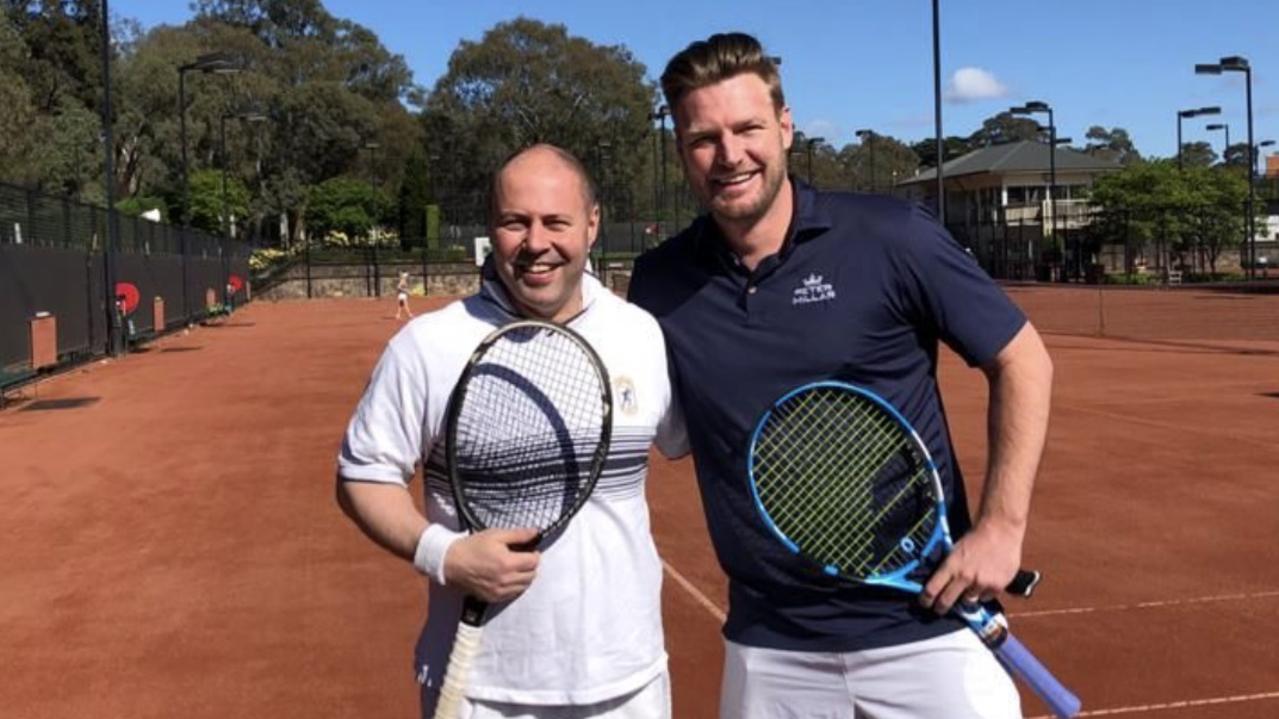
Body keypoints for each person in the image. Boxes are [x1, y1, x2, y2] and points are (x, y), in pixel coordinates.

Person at [628, 33, 1055, 719]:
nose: (729, 154)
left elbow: (1022, 358)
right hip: (769, 646)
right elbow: (662, 431)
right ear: (681, 150)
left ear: (786, 127)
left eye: (747, 128)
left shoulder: (892, 237)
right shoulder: (658, 282)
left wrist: (1002, 526)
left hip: (926, 624)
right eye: (703, 137)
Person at [337, 144, 687, 719]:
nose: (536, 243)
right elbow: (361, 475)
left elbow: (694, 439)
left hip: (629, 683)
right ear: (491, 229)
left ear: (592, 224)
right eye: (514, 222)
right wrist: (444, 554)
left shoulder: (641, 335)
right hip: (482, 692)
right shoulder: (427, 346)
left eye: (556, 221)